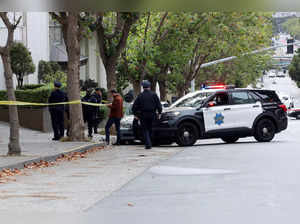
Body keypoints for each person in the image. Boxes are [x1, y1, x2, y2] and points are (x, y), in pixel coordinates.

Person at [132, 80, 162, 149]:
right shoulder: (154, 95)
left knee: (145, 130)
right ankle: (150, 142)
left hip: (143, 115)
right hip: (152, 114)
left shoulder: (140, 95)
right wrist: (159, 113)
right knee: (151, 129)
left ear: (143, 87)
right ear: (149, 87)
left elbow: (134, 107)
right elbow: (159, 105)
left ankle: (148, 144)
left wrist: (136, 114)